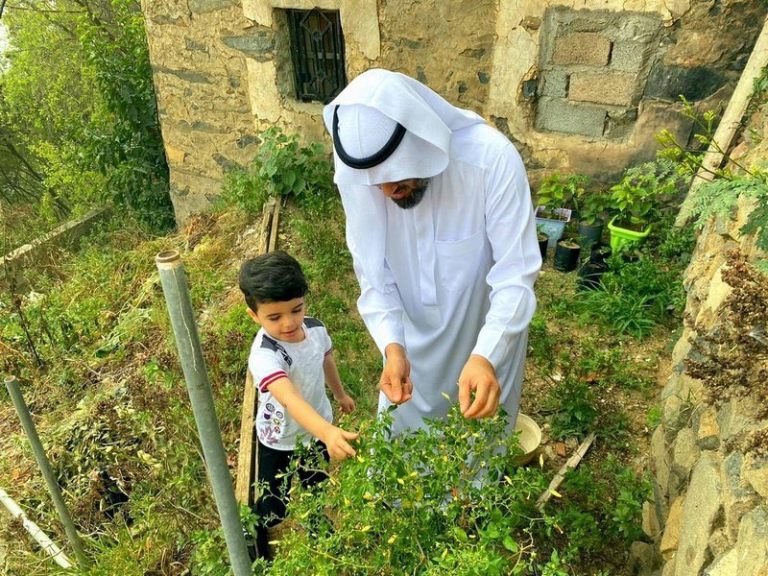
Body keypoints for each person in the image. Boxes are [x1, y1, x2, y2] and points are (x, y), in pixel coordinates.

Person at [322, 69, 541, 437]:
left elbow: (515, 275)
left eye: (397, 177)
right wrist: (392, 347)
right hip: (409, 349)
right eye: (376, 183)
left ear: (422, 143)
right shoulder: (364, 181)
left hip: (483, 335)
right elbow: (373, 275)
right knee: (403, 449)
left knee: (478, 447)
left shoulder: (491, 160)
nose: (387, 192)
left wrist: (486, 355)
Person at [238, 251, 357, 559]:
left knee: (316, 483)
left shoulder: (316, 329)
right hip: (279, 438)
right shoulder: (265, 355)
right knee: (275, 502)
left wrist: (340, 395)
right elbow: (289, 398)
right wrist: (329, 433)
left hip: (316, 429)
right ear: (254, 316)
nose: (289, 323)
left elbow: (326, 360)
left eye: (296, 309)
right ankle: (255, 531)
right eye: (274, 317)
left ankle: (317, 524)